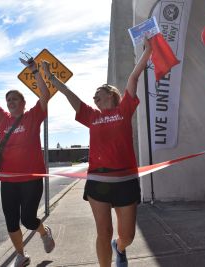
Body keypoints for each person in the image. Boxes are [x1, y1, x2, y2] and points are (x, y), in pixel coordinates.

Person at [42, 39, 152, 267]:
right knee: (103, 231)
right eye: (93, 96)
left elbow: (133, 78)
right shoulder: (92, 116)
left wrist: (148, 51)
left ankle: (119, 248)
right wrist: (51, 79)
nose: (94, 97)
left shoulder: (124, 109)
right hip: (98, 180)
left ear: (112, 95)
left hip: (126, 179)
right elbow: (70, 96)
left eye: (98, 93)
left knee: (127, 235)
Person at [0, 59, 55, 267]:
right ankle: (21, 255)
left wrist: (34, 71)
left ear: (23, 103)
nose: (11, 102)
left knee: (28, 220)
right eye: (9, 100)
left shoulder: (32, 117)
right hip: (8, 179)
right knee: (11, 221)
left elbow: (45, 95)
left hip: (31, 179)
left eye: (15, 99)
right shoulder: (2, 120)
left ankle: (43, 231)